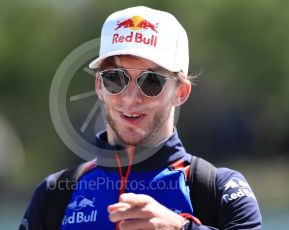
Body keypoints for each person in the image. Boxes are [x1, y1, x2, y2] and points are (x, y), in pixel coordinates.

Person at [19, 6, 262, 230]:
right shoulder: (54, 194)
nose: (131, 98)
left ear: (180, 92)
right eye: (115, 79)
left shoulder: (217, 188)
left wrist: (180, 228)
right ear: (99, 86)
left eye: (151, 81)